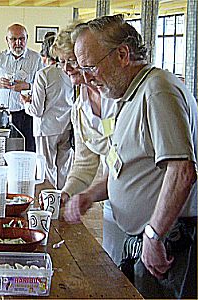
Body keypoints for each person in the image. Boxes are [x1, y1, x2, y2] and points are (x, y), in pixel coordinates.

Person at [67, 15, 197, 298]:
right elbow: (123, 166)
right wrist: (89, 195)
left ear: (123, 54)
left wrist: (154, 235)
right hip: (152, 237)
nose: (86, 78)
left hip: (172, 241)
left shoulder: (157, 89)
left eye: (90, 67)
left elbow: (182, 170)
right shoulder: (128, 96)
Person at [50, 26, 126, 266]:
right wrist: (67, 193)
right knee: (115, 269)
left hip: (148, 203)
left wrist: (92, 193)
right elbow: (84, 161)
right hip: (115, 201)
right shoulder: (80, 106)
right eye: (62, 62)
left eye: (72, 61)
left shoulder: (122, 96)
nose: (66, 68)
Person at [20, 35, 74, 189]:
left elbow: (36, 110)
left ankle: (50, 201)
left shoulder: (43, 74)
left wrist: (25, 103)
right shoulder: (69, 73)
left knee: (47, 168)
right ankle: (64, 197)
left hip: (46, 128)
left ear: (44, 56)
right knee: (64, 167)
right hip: (67, 126)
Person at [0, 23, 43, 152]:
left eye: (22, 39)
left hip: (26, 114)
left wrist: (28, 86)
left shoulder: (36, 59)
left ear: (27, 38)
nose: (18, 43)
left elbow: (44, 87)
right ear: (7, 40)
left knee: (27, 150)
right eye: (13, 39)